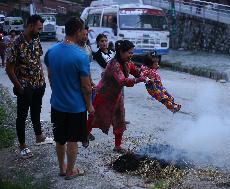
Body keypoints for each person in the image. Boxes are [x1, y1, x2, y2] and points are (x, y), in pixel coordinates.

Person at [44, 17, 94, 180]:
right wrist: (89, 106)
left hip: (57, 104)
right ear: (78, 31)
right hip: (76, 107)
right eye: (83, 30)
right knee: (73, 140)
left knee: (59, 139)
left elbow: (50, 75)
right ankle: (70, 171)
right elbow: (86, 87)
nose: (84, 33)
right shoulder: (81, 56)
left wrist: (58, 91)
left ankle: (62, 168)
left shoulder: (52, 51)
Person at [6, 15, 53, 159]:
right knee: (22, 116)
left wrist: (42, 77)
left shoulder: (36, 39)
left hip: (38, 84)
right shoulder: (15, 44)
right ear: (31, 26)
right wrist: (19, 87)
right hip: (25, 86)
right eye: (39, 28)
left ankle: (39, 137)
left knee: (36, 111)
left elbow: (38, 58)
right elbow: (9, 69)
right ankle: (22, 145)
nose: (40, 31)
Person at [87, 40, 146, 153]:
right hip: (103, 94)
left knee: (120, 119)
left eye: (132, 53)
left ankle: (117, 146)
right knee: (94, 116)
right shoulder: (114, 64)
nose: (131, 55)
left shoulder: (128, 63)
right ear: (121, 52)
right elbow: (122, 81)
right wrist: (138, 80)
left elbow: (136, 71)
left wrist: (146, 76)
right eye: (129, 53)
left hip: (116, 96)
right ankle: (84, 135)